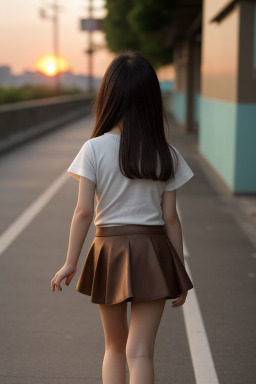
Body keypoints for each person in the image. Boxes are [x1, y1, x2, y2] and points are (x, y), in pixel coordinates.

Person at [51, 49, 194, 384]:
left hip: (109, 251)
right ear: (150, 99)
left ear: (108, 96)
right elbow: (170, 218)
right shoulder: (166, 154)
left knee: (114, 348)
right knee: (141, 352)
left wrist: (70, 261)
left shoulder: (94, 149)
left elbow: (84, 211)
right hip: (154, 252)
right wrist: (179, 271)